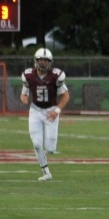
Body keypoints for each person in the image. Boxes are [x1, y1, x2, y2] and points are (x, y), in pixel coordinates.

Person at [20, 48, 70, 181]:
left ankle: (47, 162)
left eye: (45, 60)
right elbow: (24, 92)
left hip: (51, 111)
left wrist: (57, 111)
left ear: (50, 62)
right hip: (35, 111)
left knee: (51, 149)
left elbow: (65, 96)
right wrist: (23, 97)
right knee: (36, 144)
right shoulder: (28, 75)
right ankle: (46, 172)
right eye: (40, 60)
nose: (42, 63)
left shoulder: (56, 75)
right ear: (36, 61)